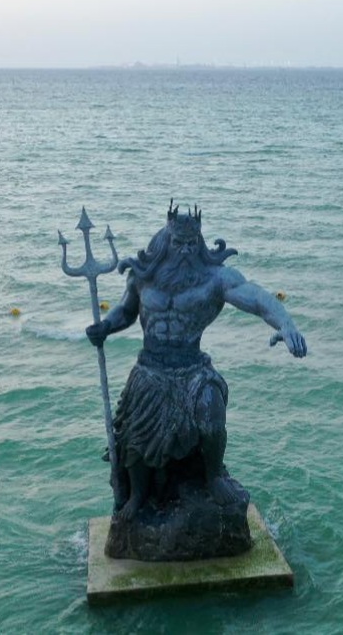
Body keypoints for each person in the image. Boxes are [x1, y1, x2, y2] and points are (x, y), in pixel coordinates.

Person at [87, 202, 307, 524]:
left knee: (212, 415)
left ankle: (214, 475)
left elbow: (256, 298)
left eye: (192, 243)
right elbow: (126, 311)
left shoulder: (215, 279)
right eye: (179, 243)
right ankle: (137, 495)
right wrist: (105, 326)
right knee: (135, 437)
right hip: (151, 366)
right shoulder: (143, 277)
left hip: (192, 366)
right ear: (166, 240)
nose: (186, 250)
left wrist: (285, 324)